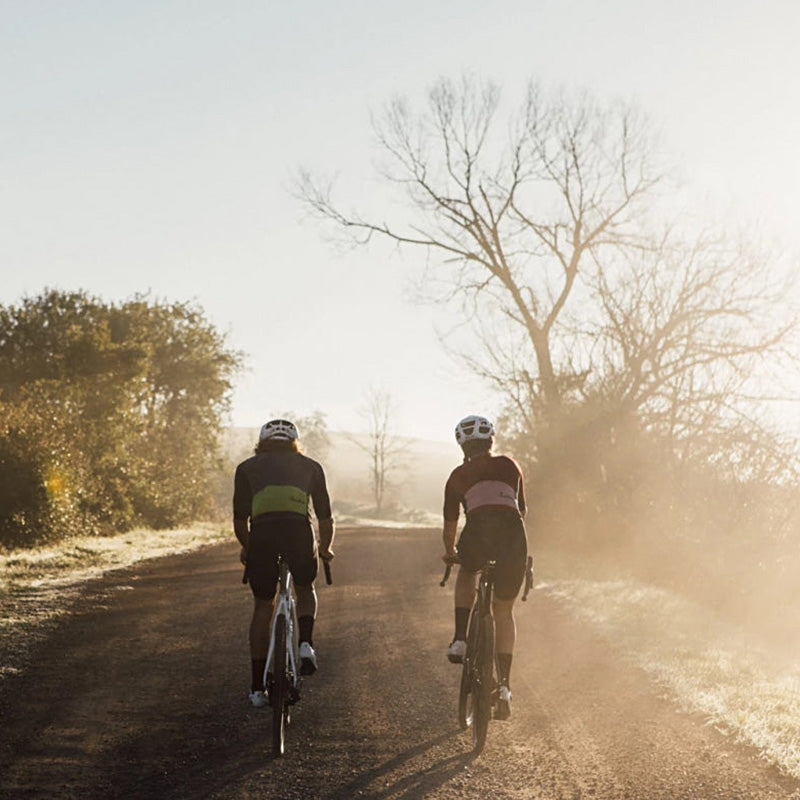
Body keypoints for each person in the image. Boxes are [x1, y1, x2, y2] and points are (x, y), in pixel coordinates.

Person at [233, 419, 335, 708]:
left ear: (261, 442)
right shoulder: (311, 466)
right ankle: (305, 644)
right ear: (294, 441)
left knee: (263, 605)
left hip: (263, 535)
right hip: (298, 533)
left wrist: (247, 548)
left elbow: (240, 520)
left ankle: (256, 688)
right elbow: (325, 517)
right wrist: (325, 548)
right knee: (305, 588)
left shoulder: (246, 468)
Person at [441, 414, 528, 720]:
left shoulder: (457, 475)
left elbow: (451, 525)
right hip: (514, 536)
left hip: (478, 532)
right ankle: (504, 686)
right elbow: (521, 510)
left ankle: (461, 640)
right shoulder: (510, 465)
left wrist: (450, 552)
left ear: (462, 445)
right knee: (504, 610)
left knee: (467, 570)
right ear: (491, 441)